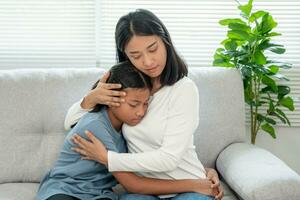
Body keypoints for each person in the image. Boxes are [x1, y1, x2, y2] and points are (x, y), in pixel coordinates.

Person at [65, 9, 224, 200]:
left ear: (165, 41)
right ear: (125, 56)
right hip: (146, 190)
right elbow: (71, 122)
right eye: (135, 55)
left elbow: (169, 159)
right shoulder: (126, 87)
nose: (148, 62)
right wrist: (92, 98)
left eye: (152, 49)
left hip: (189, 189)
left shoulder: (183, 89)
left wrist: (108, 158)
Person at [37, 61, 218, 200]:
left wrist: (203, 170)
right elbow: (132, 183)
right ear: (111, 99)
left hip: (98, 193)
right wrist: (194, 184)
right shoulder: (95, 126)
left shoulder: (128, 126)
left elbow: (152, 153)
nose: (141, 112)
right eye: (133, 104)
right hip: (66, 188)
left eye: (146, 103)